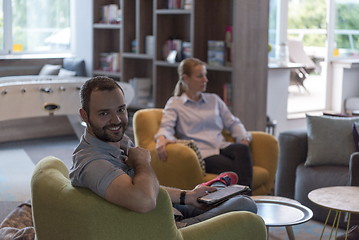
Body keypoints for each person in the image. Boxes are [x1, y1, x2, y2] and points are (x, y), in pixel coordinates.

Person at [69, 76, 257, 227]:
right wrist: (142, 161)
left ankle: (210, 190)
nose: (116, 120)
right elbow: (144, 200)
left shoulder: (116, 141)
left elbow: (140, 188)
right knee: (245, 205)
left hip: (169, 210)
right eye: (104, 113)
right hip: (167, 228)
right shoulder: (93, 162)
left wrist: (187, 196)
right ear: (84, 115)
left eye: (121, 109)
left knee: (226, 194)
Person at [155, 58, 253, 189]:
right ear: (186, 78)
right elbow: (166, 127)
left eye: (205, 75)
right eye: (200, 76)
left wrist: (243, 137)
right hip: (203, 153)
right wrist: (161, 138)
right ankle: (246, 197)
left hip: (221, 146)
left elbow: (233, 122)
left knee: (243, 149)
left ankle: (242, 197)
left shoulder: (214, 99)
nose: (205, 80)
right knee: (235, 166)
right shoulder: (175, 103)